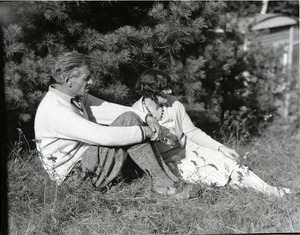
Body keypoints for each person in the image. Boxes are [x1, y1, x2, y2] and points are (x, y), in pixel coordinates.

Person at [34, 52, 189, 199]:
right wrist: (145, 132)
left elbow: (110, 109)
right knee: (130, 125)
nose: (91, 82)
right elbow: (103, 136)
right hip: (75, 179)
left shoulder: (74, 97)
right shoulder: (55, 110)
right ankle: (166, 185)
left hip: (87, 161)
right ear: (68, 80)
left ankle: (166, 181)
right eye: (86, 78)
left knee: (129, 118)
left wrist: (147, 117)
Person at [132, 69, 291, 198]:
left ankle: (270, 190)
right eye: (164, 88)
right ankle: (256, 190)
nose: (170, 90)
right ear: (152, 91)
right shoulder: (136, 113)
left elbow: (192, 132)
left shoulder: (174, 103)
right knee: (209, 174)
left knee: (227, 161)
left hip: (189, 149)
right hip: (170, 162)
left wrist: (220, 148)